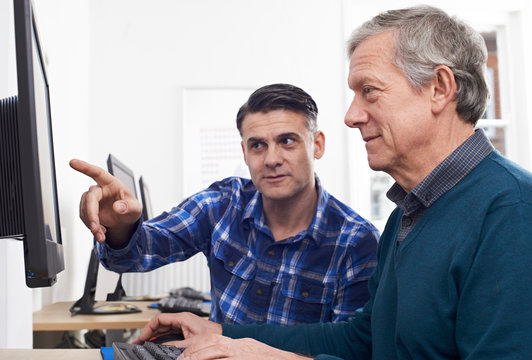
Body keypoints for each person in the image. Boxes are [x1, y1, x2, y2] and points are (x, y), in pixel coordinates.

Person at [132, 5, 532, 360]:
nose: (351, 115)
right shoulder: (408, 216)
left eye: (369, 92)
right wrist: (222, 333)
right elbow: (363, 340)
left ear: (439, 89)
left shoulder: (513, 212)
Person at [70, 83, 379, 326]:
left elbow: (348, 348)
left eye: (287, 141)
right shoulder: (222, 205)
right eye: (257, 145)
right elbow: (133, 256)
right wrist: (120, 227)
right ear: (244, 153)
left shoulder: (356, 242)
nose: (271, 159)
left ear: (318, 145)